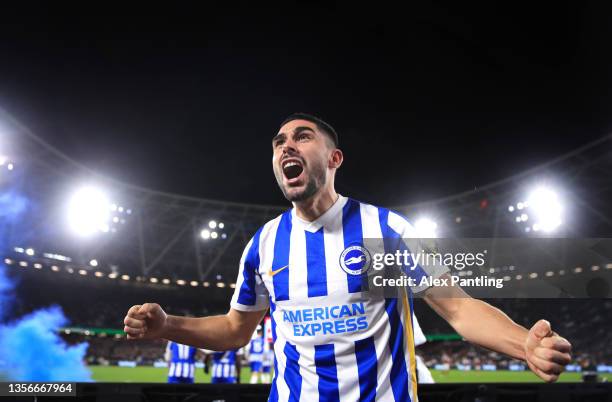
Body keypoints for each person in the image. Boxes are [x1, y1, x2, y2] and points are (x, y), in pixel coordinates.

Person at [124, 113, 572, 401]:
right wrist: (168, 327)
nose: (286, 147)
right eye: (279, 142)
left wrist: (523, 345)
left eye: (302, 137)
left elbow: (459, 309)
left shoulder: (383, 232)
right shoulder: (265, 244)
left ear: (334, 157)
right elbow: (235, 330)